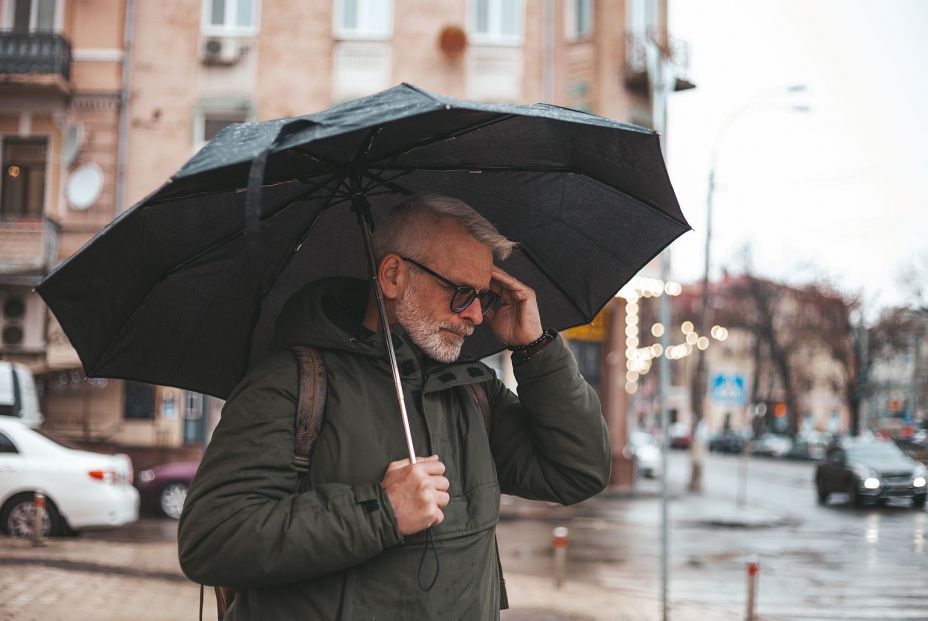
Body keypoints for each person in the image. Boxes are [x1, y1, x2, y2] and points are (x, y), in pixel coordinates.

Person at [178, 193, 611, 620]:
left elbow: (577, 472)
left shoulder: (471, 392)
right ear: (393, 276)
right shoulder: (292, 383)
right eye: (462, 292)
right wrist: (379, 511)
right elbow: (212, 538)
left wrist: (535, 348)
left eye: (485, 296)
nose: (477, 315)